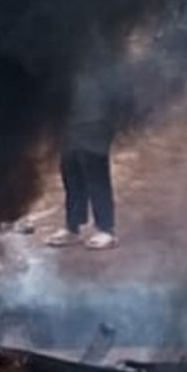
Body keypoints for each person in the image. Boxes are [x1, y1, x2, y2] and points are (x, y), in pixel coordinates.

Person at [47, 73, 119, 250]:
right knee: (70, 172)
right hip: (69, 119)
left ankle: (106, 229)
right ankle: (73, 227)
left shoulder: (101, 52)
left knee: (96, 174)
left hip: (96, 118)